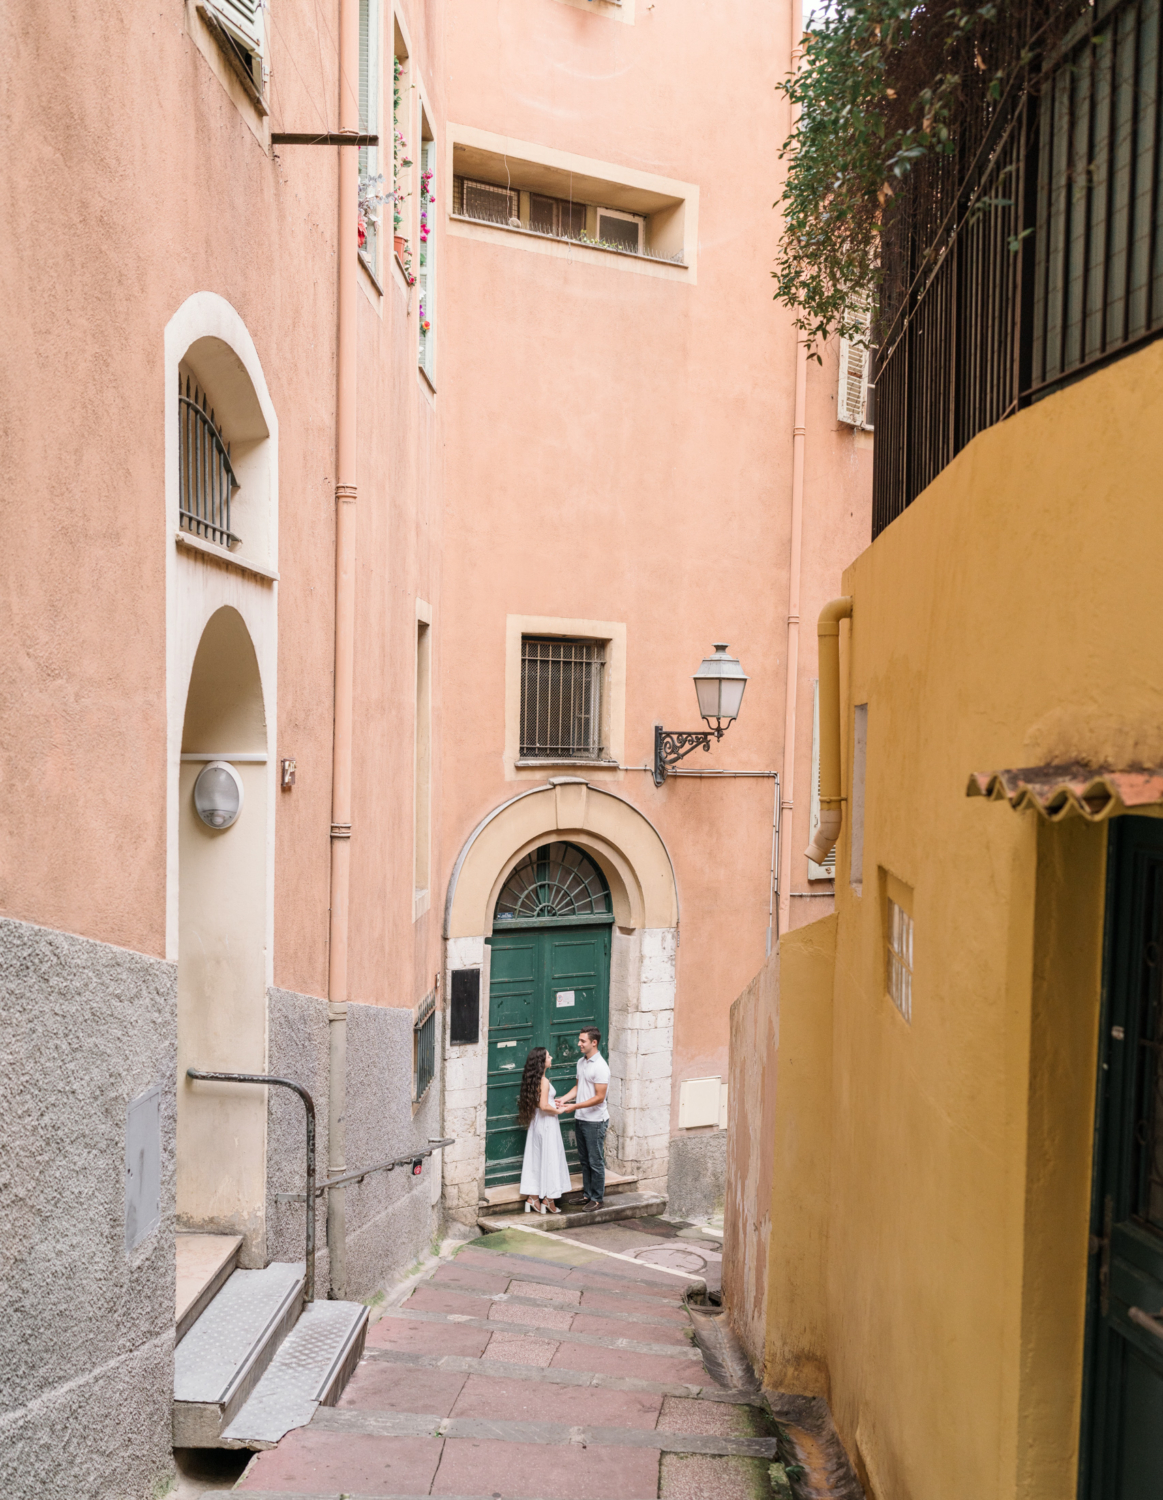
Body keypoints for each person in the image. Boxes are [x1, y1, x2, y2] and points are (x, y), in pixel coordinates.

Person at [555, 1027, 610, 1208]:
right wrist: (563, 1099)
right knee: (585, 1160)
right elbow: (579, 1088)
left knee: (595, 1161)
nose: (579, 1044)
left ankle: (597, 1199)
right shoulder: (581, 1062)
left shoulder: (601, 1066)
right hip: (581, 1117)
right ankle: (587, 1195)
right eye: (579, 1040)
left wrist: (575, 1106)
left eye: (583, 1041)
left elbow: (599, 1097)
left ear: (594, 1043)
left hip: (595, 1121)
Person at [517, 1046, 571, 1213]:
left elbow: (542, 1102)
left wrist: (554, 1103)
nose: (552, 1058)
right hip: (547, 1124)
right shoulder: (544, 1081)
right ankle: (549, 1199)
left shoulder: (534, 1079)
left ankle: (533, 1197)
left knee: (537, 1157)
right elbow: (543, 1105)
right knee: (550, 1158)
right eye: (548, 1056)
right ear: (542, 1061)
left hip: (537, 1124)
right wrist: (559, 1110)